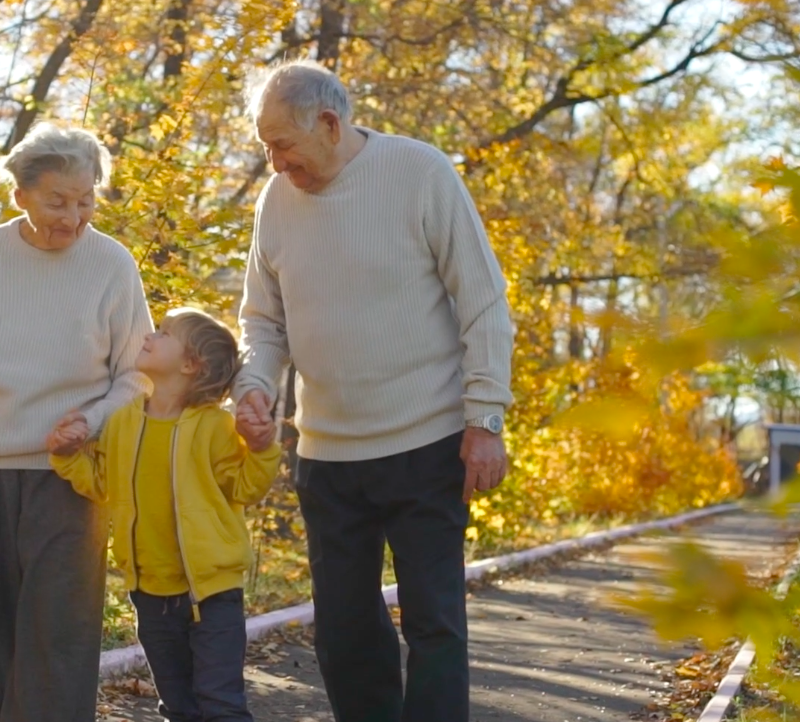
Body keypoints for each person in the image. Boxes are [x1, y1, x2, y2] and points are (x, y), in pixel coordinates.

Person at [232, 59, 514, 722]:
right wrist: (253, 386)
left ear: (330, 123)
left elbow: (483, 302)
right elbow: (262, 318)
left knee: (434, 623)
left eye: (283, 145)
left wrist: (486, 419)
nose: (274, 163)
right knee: (345, 633)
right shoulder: (276, 202)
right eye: (265, 146)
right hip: (327, 457)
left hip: (429, 442)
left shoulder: (420, 173)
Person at [0, 122, 154, 722]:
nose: (73, 217)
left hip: (70, 477)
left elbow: (139, 376)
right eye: (56, 201)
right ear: (21, 196)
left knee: (60, 641)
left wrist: (91, 422)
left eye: (86, 200)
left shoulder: (112, 265)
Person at [48, 308, 282, 722]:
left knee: (221, 704)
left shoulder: (216, 427)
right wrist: (67, 457)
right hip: (150, 595)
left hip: (211, 595)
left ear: (190, 364)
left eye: (165, 332)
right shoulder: (123, 423)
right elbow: (102, 483)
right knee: (178, 708)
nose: (151, 335)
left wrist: (261, 448)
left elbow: (245, 487)